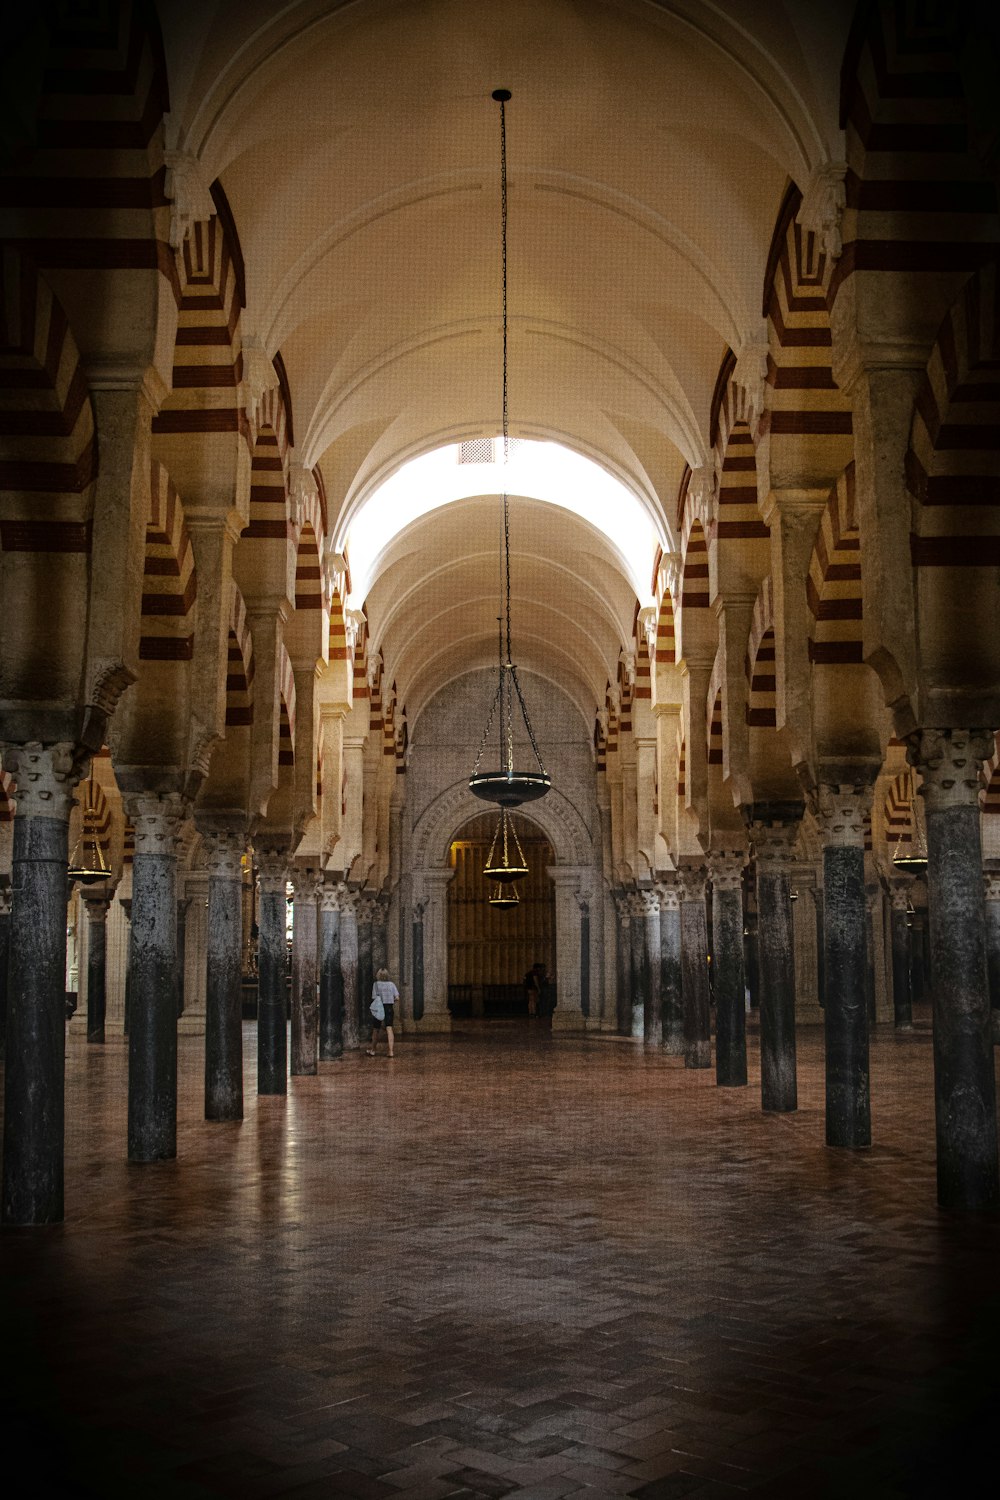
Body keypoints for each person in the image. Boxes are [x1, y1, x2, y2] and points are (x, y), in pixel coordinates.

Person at [367, 966, 399, 1058]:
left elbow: (373, 997)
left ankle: (373, 1050)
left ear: (378, 975)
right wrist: (390, 999)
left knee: (376, 1029)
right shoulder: (391, 984)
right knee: (389, 1028)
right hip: (389, 1007)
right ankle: (391, 1051)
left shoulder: (376, 984)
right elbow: (397, 997)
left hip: (379, 1008)